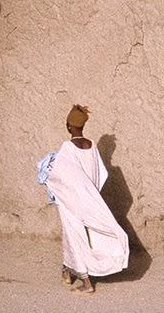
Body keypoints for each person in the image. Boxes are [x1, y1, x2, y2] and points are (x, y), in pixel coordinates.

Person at [40, 104, 129, 293]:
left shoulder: (67, 147)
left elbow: (60, 174)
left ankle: (87, 284)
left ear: (68, 126)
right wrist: (90, 193)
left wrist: (47, 174)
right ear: (82, 126)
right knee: (79, 236)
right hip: (89, 199)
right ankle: (66, 271)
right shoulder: (91, 146)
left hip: (72, 201)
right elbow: (100, 173)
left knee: (74, 237)